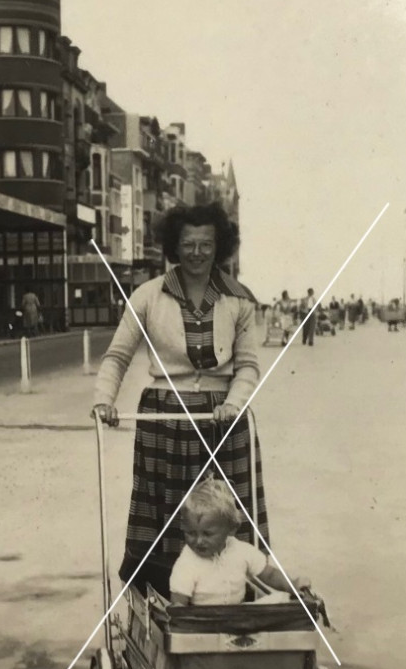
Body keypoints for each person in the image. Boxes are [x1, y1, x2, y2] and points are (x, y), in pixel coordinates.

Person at [92, 202, 269, 597]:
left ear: (219, 246)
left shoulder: (238, 299)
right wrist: (104, 400)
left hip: (223, 419)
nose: (197, 252)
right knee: (167, 520)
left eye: (206, 244)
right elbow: (118, 356)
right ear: (175, 245)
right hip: (165, 421)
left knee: (225, 515)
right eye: (188, 244)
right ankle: (166, 602)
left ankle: (236, 594)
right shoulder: (148, 296)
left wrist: (233, 403)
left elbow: (249, 366)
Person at [170, 480, 311, 607]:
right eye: (191, 533)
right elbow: (178, 605)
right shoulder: (186, 563)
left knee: (280, 599)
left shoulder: (241, 551)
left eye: (207, 534)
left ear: (231, 529)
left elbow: (269, 574)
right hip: (205, 624)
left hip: (239, 617)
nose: (198, 541)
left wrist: (292, 585)